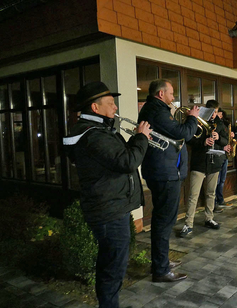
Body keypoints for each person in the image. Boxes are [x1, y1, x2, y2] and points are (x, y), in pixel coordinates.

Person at [63, 81, 151, 308]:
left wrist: (134, 141)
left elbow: (117, 159)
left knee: (112, 264)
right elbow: (127, 162)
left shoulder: (99, 132)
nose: (116, 109)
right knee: (113, 268)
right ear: (95, 108)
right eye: (111, 104)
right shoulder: (93, 135)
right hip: (109, 211)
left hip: (111, 207)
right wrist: (141, 138)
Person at [138, 79, 199, 282]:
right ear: (161, 94)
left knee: (163, 221)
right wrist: (192, 118)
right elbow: (184, 134)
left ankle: (161, 262)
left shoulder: (155, 109)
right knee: (164, 222)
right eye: (171, 93)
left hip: (164, 172)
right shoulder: (157, 110)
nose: (174, 98)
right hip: (164, 174)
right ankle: (161, 270)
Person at [180, 100, 227, 238]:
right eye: (212, 112)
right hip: (199, 163)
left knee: (211, 193)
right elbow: (188, 139)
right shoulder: (198, 121)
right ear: (207, 111)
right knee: (193, 195)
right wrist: (203, 142)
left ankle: (209, 218)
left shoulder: (220, 124)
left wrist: (218, 138)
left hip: (214, 163)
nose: (214, 115)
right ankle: (188, 224)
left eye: (216, 112)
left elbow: (225, 141)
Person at [214, 109, 233, 211]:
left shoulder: (224, 125)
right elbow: (214, 141)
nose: (218, 115)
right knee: (216, 181)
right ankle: (215, 202)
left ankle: (221, 199)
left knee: (222, 180)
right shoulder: (215, 125)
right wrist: (223, 147)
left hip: (224, 155)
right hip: (218, 155)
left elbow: (224, 139)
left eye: (219, 113)